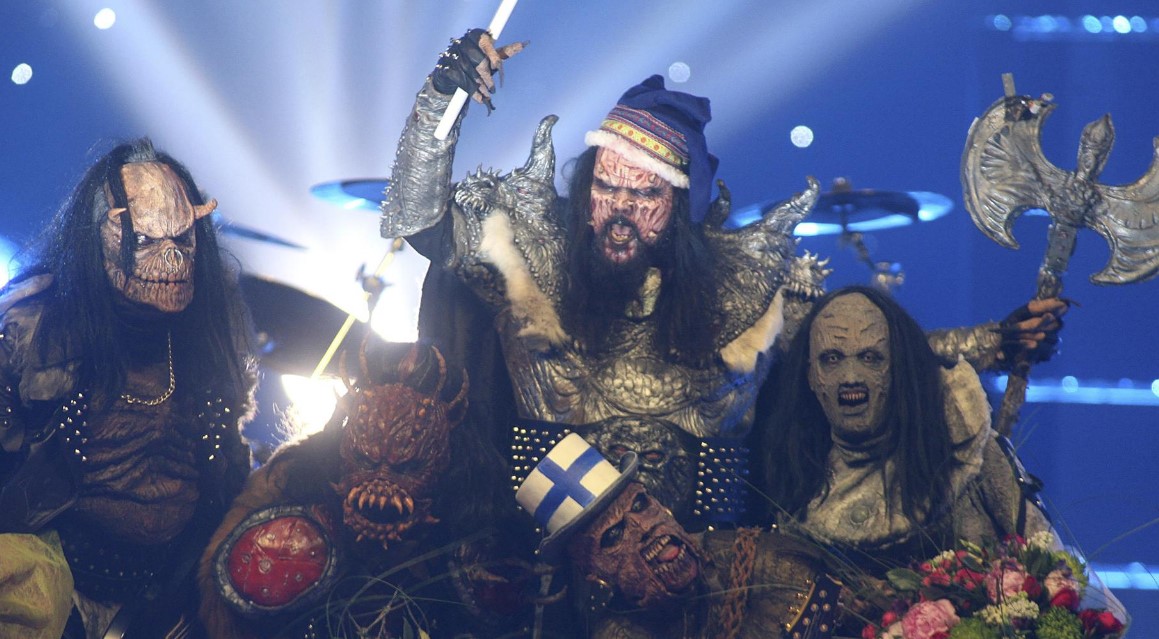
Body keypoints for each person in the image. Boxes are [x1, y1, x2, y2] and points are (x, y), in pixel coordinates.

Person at [380, 28, 1066, 527]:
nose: (619, 211)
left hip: (705, 582)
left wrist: (997, 341)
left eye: (644, 195)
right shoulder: (532, 263)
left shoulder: (748, 293)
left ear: (681, 209)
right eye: (606, 188)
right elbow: (418, 220)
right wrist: (444, 94)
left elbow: (865, 352)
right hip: (542, 572)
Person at [0, 138, 258, 638]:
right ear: (100, 236)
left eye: (182, 240)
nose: (171, 259)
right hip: (51, 583)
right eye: (144, 240)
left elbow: (226, 462)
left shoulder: (209, 339)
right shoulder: (34, 332)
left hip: (171, 591)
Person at [197, 341, 530, 639]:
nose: (382, 485)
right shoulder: (295, 485)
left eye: (407, 466)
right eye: (367, 461)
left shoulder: (473, 517)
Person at [754, 286, 1054, 573]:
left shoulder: (970, 453)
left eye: (870, 358)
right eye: (832, 359)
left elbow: (1055, 573)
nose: (850, 378)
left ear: (897, 367)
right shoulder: (796, 486)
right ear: (810, 375)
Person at [515, 433, 843, 638]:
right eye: (614, 535)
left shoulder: (773, 563)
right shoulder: (617, 634)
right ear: (594, 572)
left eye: (640, 505)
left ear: (662, 506)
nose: (643, 528)